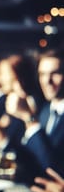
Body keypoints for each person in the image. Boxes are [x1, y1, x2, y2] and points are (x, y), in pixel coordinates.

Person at [6, 48, 64, 176]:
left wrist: (29, 117)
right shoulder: (46, 110)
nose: (47, 81)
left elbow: (53, 171)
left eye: (55, 73)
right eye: (42, 74)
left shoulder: (38, 113)